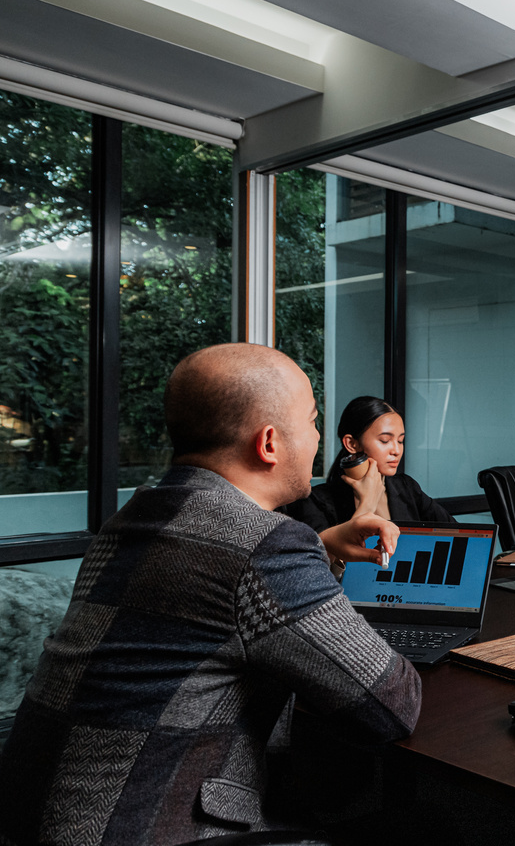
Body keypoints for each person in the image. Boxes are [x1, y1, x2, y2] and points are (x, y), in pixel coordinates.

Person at [0, 344, 422, 845]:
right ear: (269, 443)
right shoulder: (264, 543)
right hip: (148, 827)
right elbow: (392, 705)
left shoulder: (131, 520)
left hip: (33, 818)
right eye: (311, 422)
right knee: (426, 827)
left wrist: (321, 547)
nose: (316, 439)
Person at [282, 396, 453, 576]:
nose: (396, 450)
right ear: (351, 443)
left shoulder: (406, 488)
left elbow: (457, 534)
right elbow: (316, 576)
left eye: (400, 441)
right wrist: (367, 504)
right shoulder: (314, 501)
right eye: (385, 441)